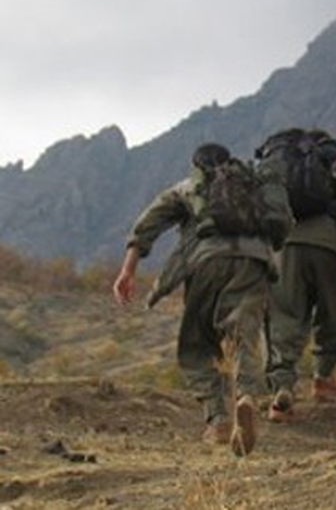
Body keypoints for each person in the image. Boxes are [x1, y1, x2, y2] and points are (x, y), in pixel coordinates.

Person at [112, 143, 291, 457]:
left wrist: (128, 270)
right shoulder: (253, 184)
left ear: (197, 165)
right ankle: (247, 395)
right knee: (244, 333)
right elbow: (282, 224)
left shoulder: (189, 187)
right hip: (254, 261)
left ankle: (218, 419)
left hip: (206, 262)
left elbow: (148, 225)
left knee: (197, 343)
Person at [259, 129, 336, 422]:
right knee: (333, 312)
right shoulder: (332, 162)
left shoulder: (279, 168)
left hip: (285, 248)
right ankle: (324, 379)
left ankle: (281, 390)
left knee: (285, 316)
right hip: (329, 245)